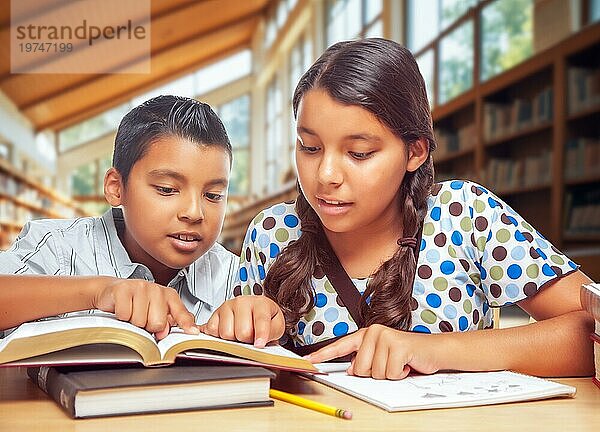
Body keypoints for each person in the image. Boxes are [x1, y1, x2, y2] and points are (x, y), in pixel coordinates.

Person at [202, 38, 594, 379]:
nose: (326, 175)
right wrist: (240, 325)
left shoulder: (464, 213)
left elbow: (592, 332)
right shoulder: (271, 233)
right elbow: (239, 372)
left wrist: (432, 351)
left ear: (414, 151)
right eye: (309, 147)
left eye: (359, 153)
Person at [0, 95, 237, 340]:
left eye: (213, 195)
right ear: (116, 187)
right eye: (167, 189)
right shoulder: (56, 247)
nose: (194, 213)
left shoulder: (236, 276)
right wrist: (98, 291)